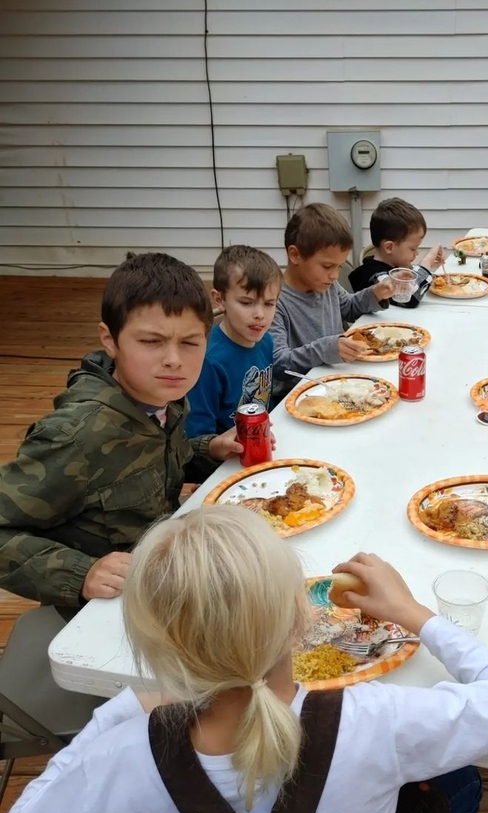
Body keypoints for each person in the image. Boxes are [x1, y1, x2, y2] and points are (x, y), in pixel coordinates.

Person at [0, 505, 488, 813]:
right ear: (301, 620)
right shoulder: (377, 721)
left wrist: (128, 708)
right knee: (461, 781)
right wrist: (414, 615)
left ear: (153, 644)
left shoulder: (120, 760)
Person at [0, 253, 241, 614]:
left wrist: (211, 449)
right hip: (108, 612)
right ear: (109, 340)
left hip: (166, 577)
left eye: (190, 343)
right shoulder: (74, 438)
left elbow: (150, 461)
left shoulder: (166, 399)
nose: (174, 359)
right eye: (151, 342)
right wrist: (81, 574)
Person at [269, 203, 395, 406]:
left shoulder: (326, 284)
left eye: (339, 266)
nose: (334, 275)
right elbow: (279, 364)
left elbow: (349, 307)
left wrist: (375, 293)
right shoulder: (273, 302)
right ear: (295, 255)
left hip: (339, 385)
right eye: (327, 266)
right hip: (298, 400)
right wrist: (326, 348)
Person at [186, 245, 280, 438]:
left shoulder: (266, 341)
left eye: (269, 304)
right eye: (246, 303)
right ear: (219, 299)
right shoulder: (207, 360)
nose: (260, 315)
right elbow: (197, 437)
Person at [349, 197, 445, 307]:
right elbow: (410, 298)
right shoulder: (373, 276)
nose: (417, 252)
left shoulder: (395, 265)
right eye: (413, 248)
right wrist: (427, 262)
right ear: (389, 247)